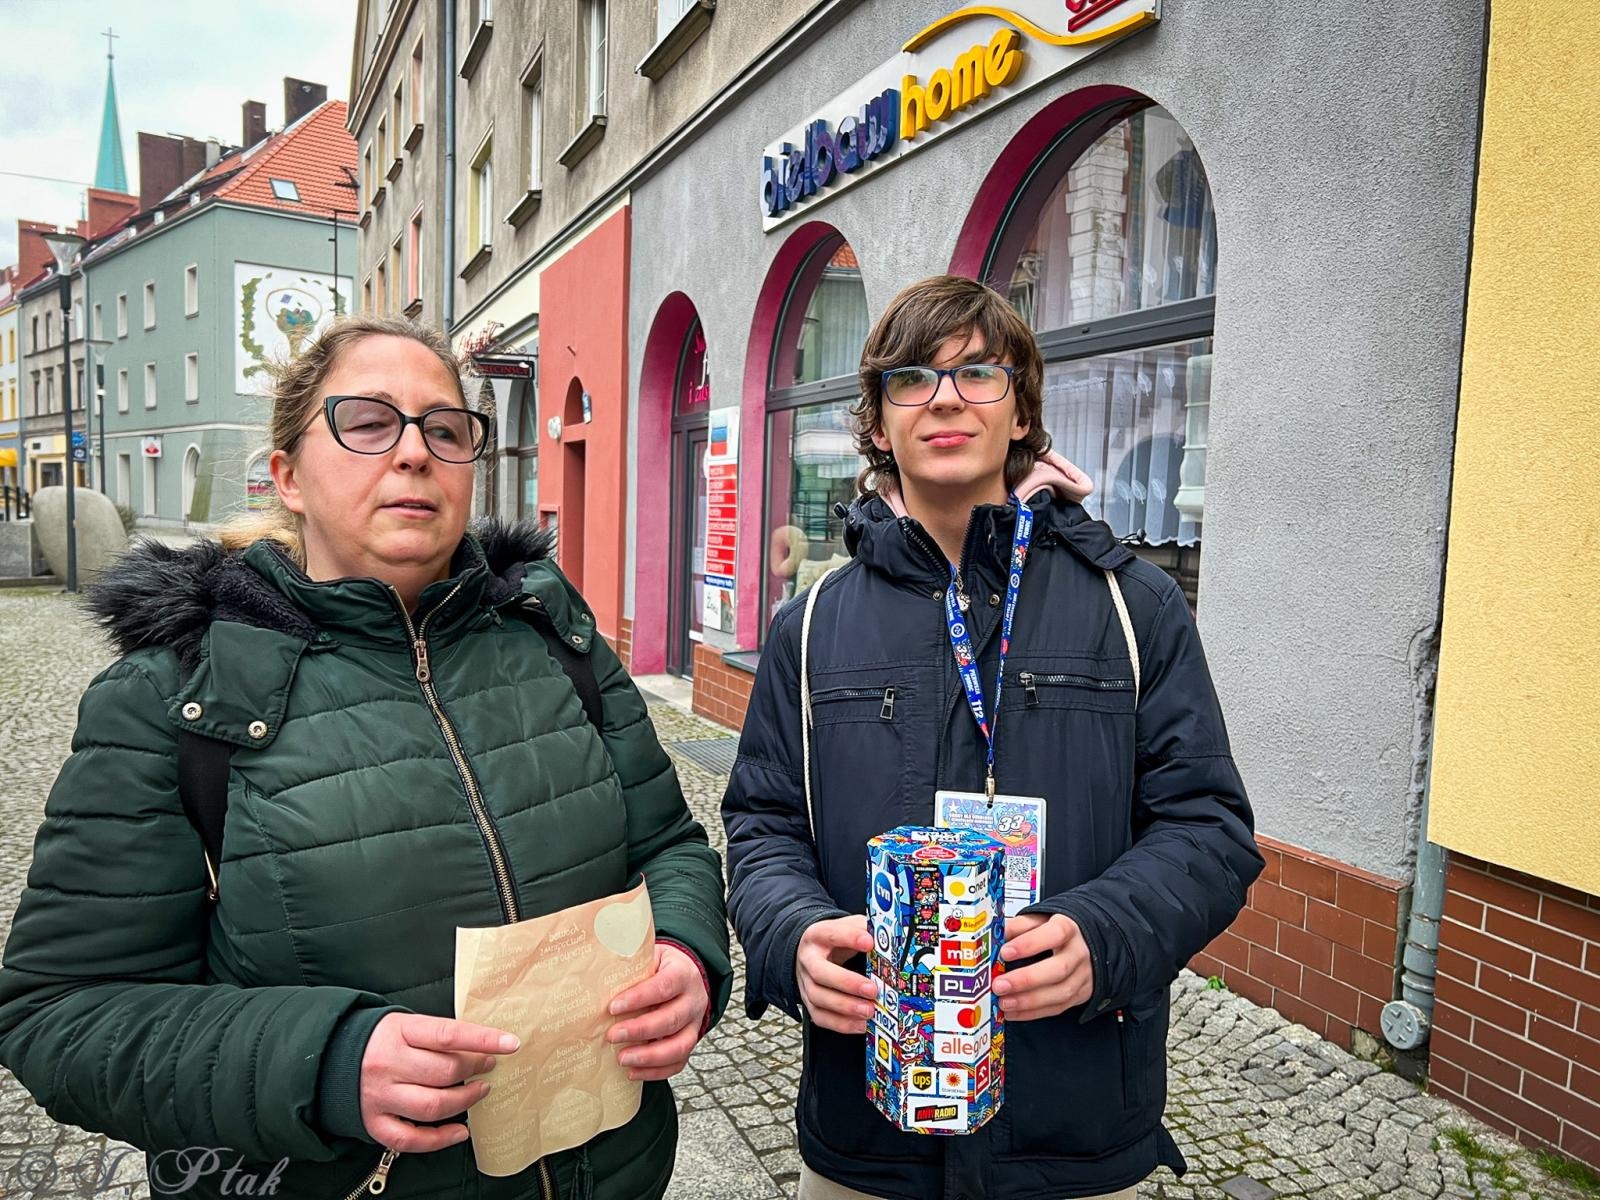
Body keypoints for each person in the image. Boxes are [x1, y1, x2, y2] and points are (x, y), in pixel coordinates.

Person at [0, 315, 731, 1200]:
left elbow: (670, 845)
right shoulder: (177, 700)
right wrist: (324, 1063)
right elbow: (61, 1015)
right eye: (368, 423)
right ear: (288, 476)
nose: (414, 453)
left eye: (445, 428)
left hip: (612, 1170)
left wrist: (690, 952)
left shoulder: (560, 641)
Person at [722, 276, 1261, 1200]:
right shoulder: (808, 627)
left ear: (1021, 414)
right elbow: (762, 826)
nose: (943, 397)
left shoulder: (1134, 605)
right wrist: (794, 934)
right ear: (879, 422)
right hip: (868, 1136)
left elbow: (1209, 829)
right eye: (911, 379)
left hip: (1076, 1129)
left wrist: (1106, 931)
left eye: (977, 373)